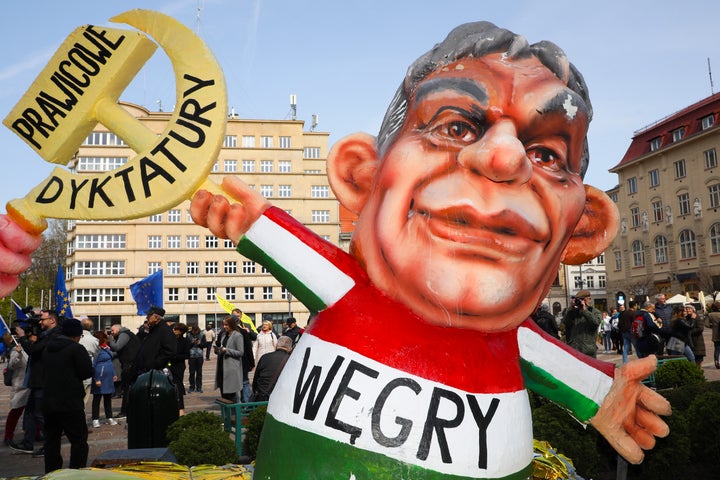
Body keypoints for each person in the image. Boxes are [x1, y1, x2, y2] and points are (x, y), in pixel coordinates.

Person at [3, 20, 671, 477]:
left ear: (583, 231)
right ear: (360, 179)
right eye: (455, 123)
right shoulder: (346, 288)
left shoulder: (505, 335)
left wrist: (600, 394)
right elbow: (253, 220)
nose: (501, 158)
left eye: (548, 153)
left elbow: (537, 354)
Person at [42, 318, 94, 472]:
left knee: (51, 441)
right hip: (70, 401)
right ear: (76, 335)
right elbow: (86, 372)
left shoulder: (47, 348)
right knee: (78, 440)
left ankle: (52, 472)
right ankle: (76, 472)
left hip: (49, 401)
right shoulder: (76, 349)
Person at [9, 309, 61, 455]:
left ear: (52, 320)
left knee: (41, 414)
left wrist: (23, 338)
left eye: (42, 319)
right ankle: (28, 442)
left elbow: (34, 350)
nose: (40, 322)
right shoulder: (46, 334)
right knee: (30, 412)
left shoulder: (55, 335)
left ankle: (49, 445)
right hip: (37, 378)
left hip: (44, 379)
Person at [2, 333, 30, 446]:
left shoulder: (32, 348)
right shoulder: (16, 349)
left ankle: (35, 433)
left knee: (33, 412)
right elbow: (11, 365)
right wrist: (18, 352)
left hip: (32, 385)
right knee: (15, 411)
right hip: (20, 386)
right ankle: (8, 436)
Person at [108, 323, 140, 419]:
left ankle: (125, 411)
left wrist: (110, 339)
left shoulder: (124, 334)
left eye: (113, 331)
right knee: (129, 388)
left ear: (118, 329)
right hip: (132, 364)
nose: (112, 333)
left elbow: (117, 347)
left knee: (126, 389)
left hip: (129, 365)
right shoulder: (127, 334)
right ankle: (130, 409)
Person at [134, 306, 176, 376]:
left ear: (156, 318)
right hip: (146, 370)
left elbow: (170, 351)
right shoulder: (153, 330)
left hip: (156, 371)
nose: (147, 317)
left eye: (149, 316)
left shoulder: (165, 330)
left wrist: (155, 363)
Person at [251, 336, 293, 402]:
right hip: (279, 398)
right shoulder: (291, 360)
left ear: (276, 345)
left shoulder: (265, 357)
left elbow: (256, 378)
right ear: (290, 349)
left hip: (261, 395)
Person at [561, 290, 602, 358]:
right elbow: (566, 322)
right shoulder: (574, 311)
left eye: (582, 299)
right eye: (579, 300)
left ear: (589, 299)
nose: (580, 302)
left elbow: (596, 322)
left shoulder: (595, 312)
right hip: (575, 349)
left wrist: (585, 311)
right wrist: (571, 307)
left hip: (588, 349)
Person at [90, 331, 118, 428]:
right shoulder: (98, 350)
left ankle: (109, 417)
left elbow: (110, 362)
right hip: (100, 377)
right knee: (97, 399)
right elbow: (93, 365)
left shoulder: (107, 348)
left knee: (108, 398)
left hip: (108, 377)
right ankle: (95, 419)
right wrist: (96, 378)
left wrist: (114, 374)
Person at [214, 315, 244, 403]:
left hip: (231, 370)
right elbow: (222, 348)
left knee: (232, 397)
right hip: (222, 368)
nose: (224, 327)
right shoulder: (224, 335)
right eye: (223, 324)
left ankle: (235, 415)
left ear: (231, 324)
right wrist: (218, 350)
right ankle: (227, 416)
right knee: (224, 396)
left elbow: (240, 352)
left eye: (226, 325)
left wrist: (227, 350)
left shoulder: (237, 336)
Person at [77, 316, 99, 412]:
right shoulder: (94, 340)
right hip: (86, 370)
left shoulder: (76, 338)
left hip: (75, 370)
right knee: (84, 399)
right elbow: (96, 353)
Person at [169, 322, 191, 415]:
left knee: (178, 387)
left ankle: (180, 409)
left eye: (175, 329)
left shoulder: (185, 341)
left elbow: (187, 355)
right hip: (168, 365)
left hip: (178, 366)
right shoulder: (170, 339)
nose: (173, 330)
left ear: (180, 331)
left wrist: (175, 357)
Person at [187, 324, 205, 393]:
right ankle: (192, 386)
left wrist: (199, 344)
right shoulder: (189, 335)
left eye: (196, 331)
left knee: (199, 373)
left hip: (199, 356)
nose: (195, 332)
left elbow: (205, 344)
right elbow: (187, 346)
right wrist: (192, 343)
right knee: (191, 373)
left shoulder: (202, 335)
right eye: (193, 331)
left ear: (198, 330)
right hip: (191, 356)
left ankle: (199, 387)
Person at [709, 301, 720, 369]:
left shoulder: (710, 315)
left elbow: (707, 324)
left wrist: (713, 326)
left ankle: (716, 362)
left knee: (717, 349)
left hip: (715, 334)